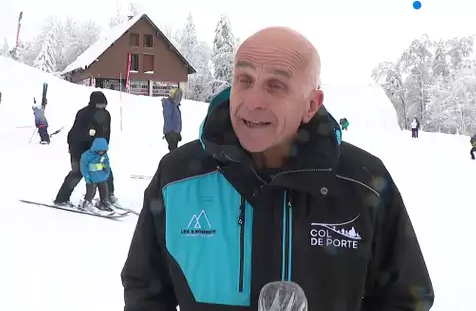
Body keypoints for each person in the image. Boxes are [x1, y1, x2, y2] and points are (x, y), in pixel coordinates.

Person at [121, 27, 434, 311]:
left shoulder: (364, 183)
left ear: (311, 104)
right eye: (244, 80)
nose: (252, 101)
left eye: (276, 85)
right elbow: (145, 290)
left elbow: (405, 297)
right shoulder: (178, 177)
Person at [54, 91, 117, 207]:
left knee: (105, 171)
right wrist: (82, 148)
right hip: (79, 149)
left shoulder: (106, 115)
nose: (101, 107)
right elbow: (75, 134)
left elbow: (107, 132)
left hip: (98, 151)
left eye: (103, 105)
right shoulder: (83, 114)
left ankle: (108, 196)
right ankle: (61, 199)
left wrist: (103, 148)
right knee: (77, 173)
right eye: (99, 105)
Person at [78, 137, 113, 212]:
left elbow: (106, 163)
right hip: (91, 178)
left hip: (101, 177)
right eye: (100, 150)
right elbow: (83, 166)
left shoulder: (104, 155)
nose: (102, 152)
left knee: (104, 189)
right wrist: (86, 176)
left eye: (103, 151)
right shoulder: (87, 155)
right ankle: (87, 203)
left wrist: (107, 172)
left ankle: (104, 202)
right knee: (91, 191)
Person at [162, 88, 183, 152]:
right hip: (170, 133)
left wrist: (178, 132)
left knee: (174, 152)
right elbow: (167, 119)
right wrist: (172, 133)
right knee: (173, 152)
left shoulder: (175, 106)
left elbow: (177, 120)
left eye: (180, 96)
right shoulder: (169, 105)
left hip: (175, 133)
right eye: (178, 96)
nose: (179, 98)